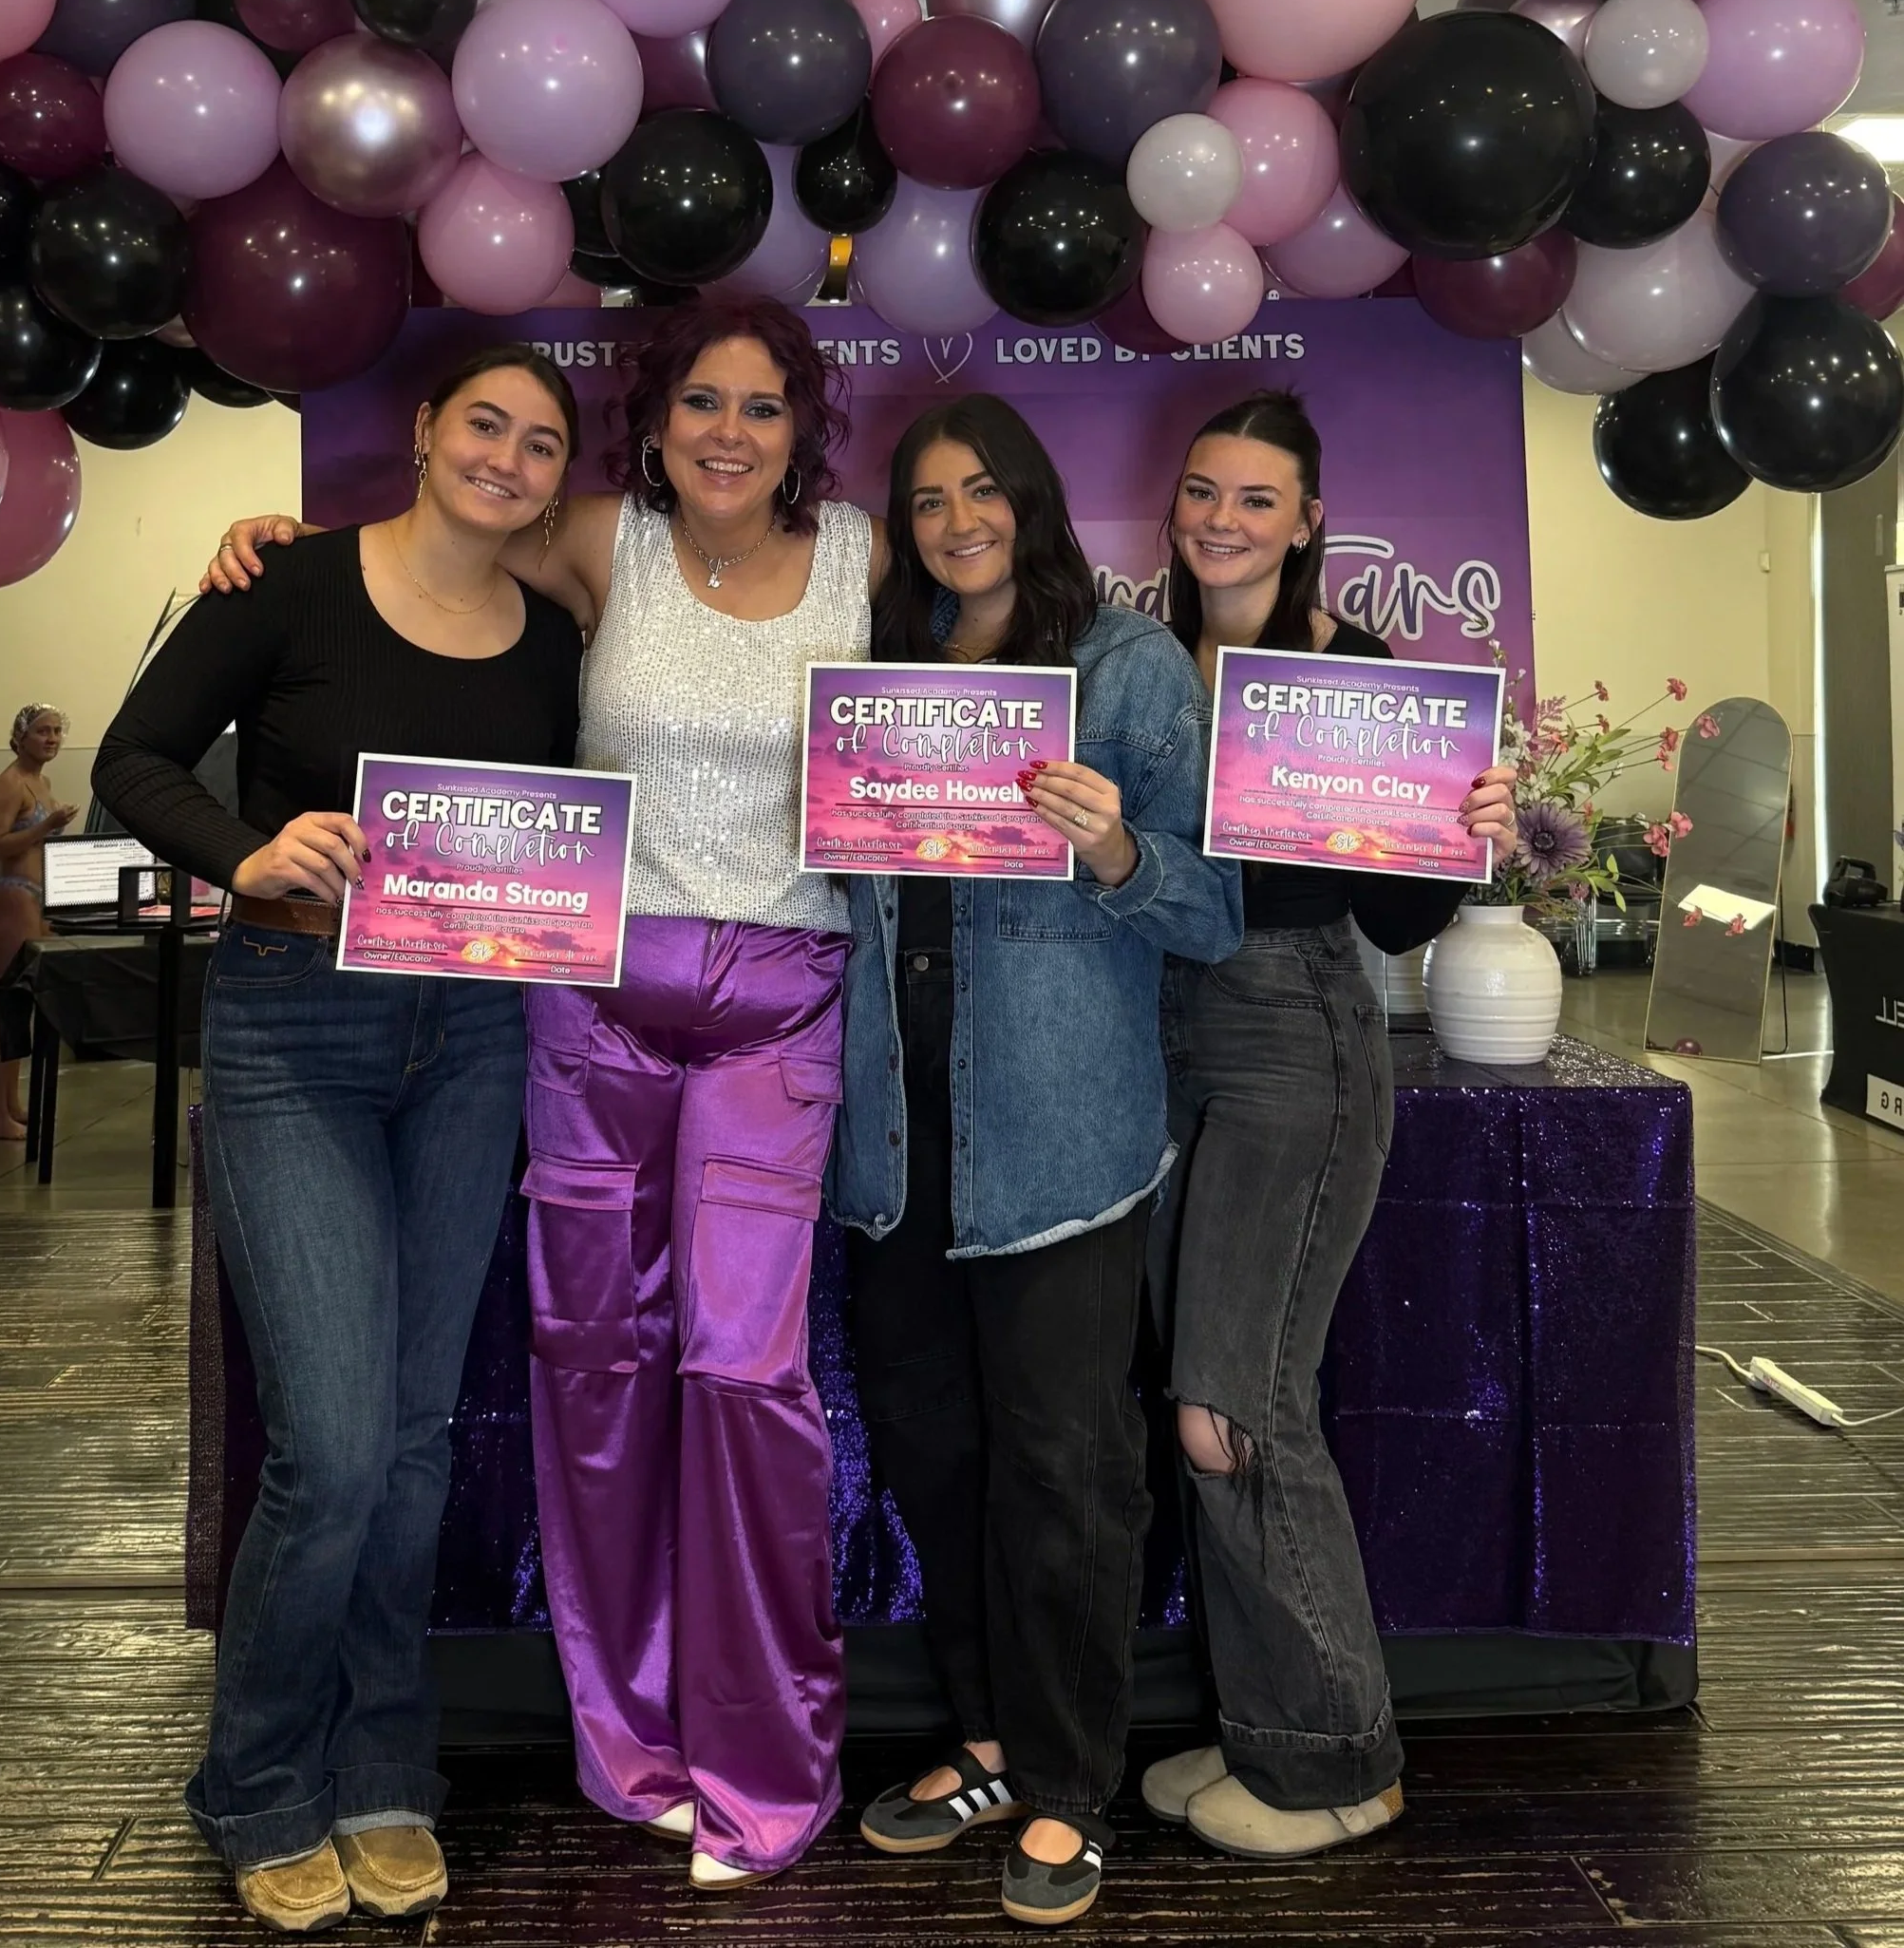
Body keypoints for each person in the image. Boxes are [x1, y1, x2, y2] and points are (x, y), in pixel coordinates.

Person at [207, 296, 889, 1891]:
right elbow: (429, 555)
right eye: (702, 402)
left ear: (802, 428)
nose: (730, 431)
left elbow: (1002, 639)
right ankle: (632, 1744)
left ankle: (763, 1763)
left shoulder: (865, 554)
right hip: (584, 996)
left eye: (765, 406)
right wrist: (282, 542)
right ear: (654, 422)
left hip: (781, 996)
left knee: (742, 1371)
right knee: (592, 1362)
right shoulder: (603, 540)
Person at [97, 345, 585, 1935]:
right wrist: (250, 853)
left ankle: (384, 1767)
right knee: (334, 1448)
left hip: (474, 1040)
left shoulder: (557, 643)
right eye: (484, 425)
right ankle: (256, 1781)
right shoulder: (288, 585)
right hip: (295, 1027)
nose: (507, 457)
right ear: (429, 432)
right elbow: (132, 762)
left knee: (423, 1433)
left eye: (541, 442)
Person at [831, 396, 1244, 1928]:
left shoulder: (1124, 667)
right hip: (890, 1136)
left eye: (984, 489)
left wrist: (1119, 851)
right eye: (930, 499)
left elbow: (1211, 909)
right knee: (934, 1451)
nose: (958, 520)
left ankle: (1070, 1785)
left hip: (1060, 1138)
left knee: (1064, 1469)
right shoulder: (869, 674)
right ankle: (989, 1738)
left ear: (1034, 498)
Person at [1140, 389, 1518, 1861]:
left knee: (1234, 1410)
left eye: (1256, 498)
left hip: (1292, 1036)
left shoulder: (1356, 675)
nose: (1221, 520)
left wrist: (1467, 825)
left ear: (1308, 521)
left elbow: (1402, 913)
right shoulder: (1143, 667)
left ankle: (1337, 1767)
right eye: (1202, 491)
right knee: (1202, 1400)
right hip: (1154, 1035)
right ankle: (1269, 1727)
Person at [0, 705, 76, 1140]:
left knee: (22, 1006)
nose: (52, 738)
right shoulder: (9, 783)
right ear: (20, 737)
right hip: (11, 897)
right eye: (42, 732)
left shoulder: (42, 782)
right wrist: (48, 826)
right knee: (6, 1008)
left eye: (57, 731)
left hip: (34, 900)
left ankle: (12, 1104)